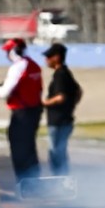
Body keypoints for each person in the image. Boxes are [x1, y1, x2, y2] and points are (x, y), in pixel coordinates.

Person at [0, 38, 44, 181]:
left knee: (19, 149)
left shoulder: (18, 67)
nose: (7, 54)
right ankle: (34, 181)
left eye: (8, 51)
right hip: (34, 110)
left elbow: (3, 93)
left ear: (14, 51)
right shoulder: (34, 66)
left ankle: (25, 183)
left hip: (22, 112)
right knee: (29, 148)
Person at [41, 43, 83, 175]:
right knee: (60, 150)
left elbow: (60, 97)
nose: (46, 60)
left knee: (56, 152)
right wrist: (72, 105)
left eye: (49, 57)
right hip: (65, 119)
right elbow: (79, 91)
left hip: (58, 121)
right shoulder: (66, 73)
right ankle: (62, 178)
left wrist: (44, 103)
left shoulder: (60, 75)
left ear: (57, 57)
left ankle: (60, 180)